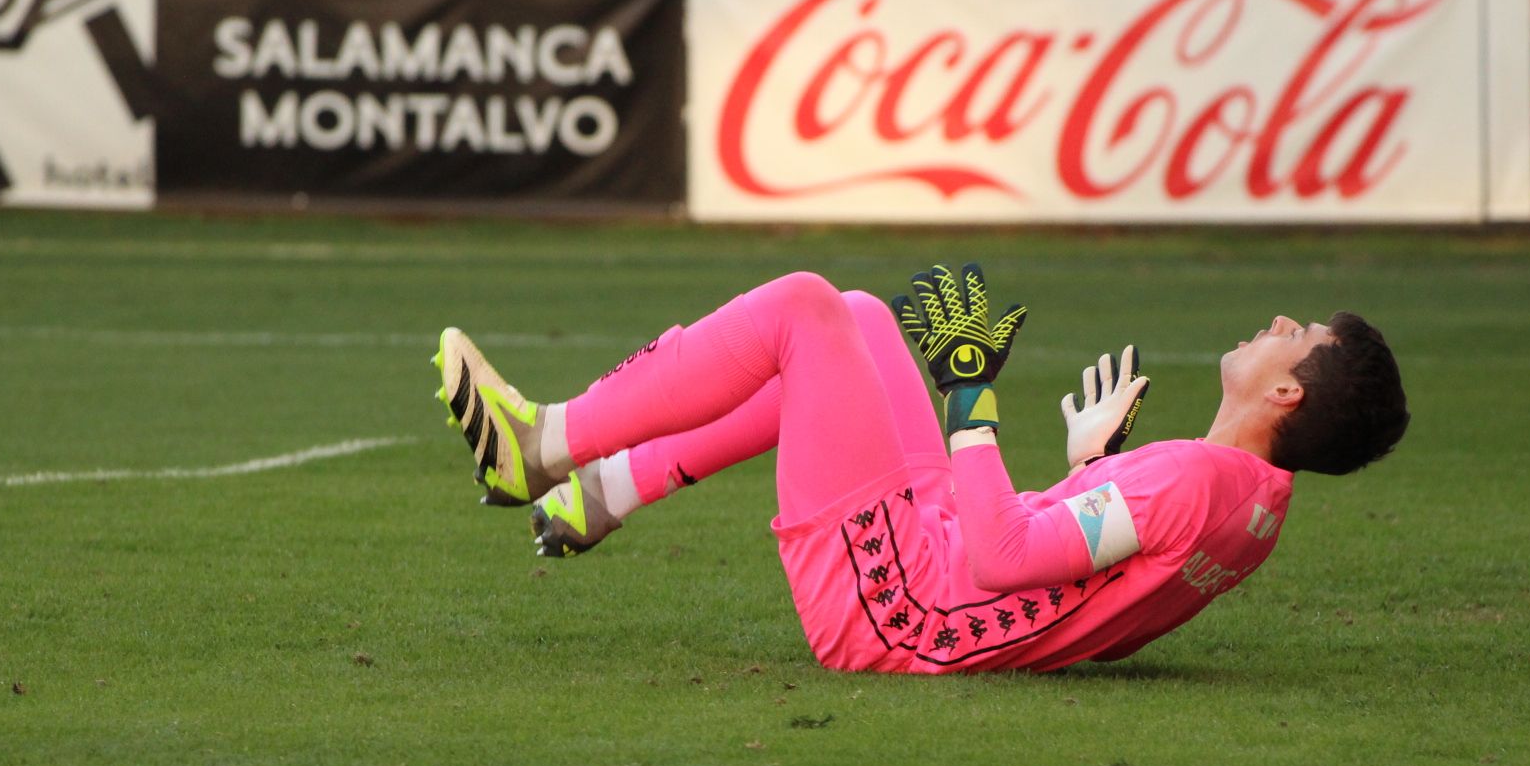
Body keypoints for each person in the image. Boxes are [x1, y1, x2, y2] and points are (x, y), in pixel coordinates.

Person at [433, 264, 1407, 675]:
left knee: (804, 309)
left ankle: (549, 441)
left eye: (1302, 336)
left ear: (1290, 397)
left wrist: (971, 396)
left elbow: (998, 555)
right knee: (855, 317)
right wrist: (1092, 470)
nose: (1283, 326)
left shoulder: (1203, 480)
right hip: (934, 571)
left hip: (901, 606)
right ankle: (608, 490)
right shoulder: (1247, 499)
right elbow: (1119, 570)